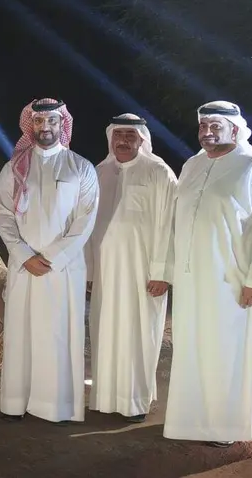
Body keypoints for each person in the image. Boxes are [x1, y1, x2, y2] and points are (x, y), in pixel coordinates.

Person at [163, 101, 252, 447]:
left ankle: (226, 428)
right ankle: (190, 422)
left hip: (232, 280)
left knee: (227, 353)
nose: (207, 132)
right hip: (191, 280)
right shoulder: (191, 165)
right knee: (191, 347)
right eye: (203, 125)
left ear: (235, 128)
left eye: (216, 125)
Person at [0, 98, 99, 424]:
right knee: (22, 334)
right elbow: (3, 215)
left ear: (61, 124)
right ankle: (16, 402)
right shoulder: (14, 168)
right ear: (31, 126)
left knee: (58, 334)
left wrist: (50, 258)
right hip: (24, 267)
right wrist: (25, 256)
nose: (45, 128)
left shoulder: (80, 167)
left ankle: (58, 406)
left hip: (62, 268)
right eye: (39, 122)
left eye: (51, 121)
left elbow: (85, 220)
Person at [85, 114, 177, 423]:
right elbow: (88, 227)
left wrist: (162, 271)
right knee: (104, 330)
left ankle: (136, 400)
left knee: (140, 333)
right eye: (118, 134)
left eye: (130, 135)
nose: (123, 140)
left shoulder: (158, 172)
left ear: (142, 138)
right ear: (110, 137)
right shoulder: (98, 172)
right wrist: (89, 271)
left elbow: (169, 225)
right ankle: (105, 397)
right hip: (106, 273)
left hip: (143, 273)